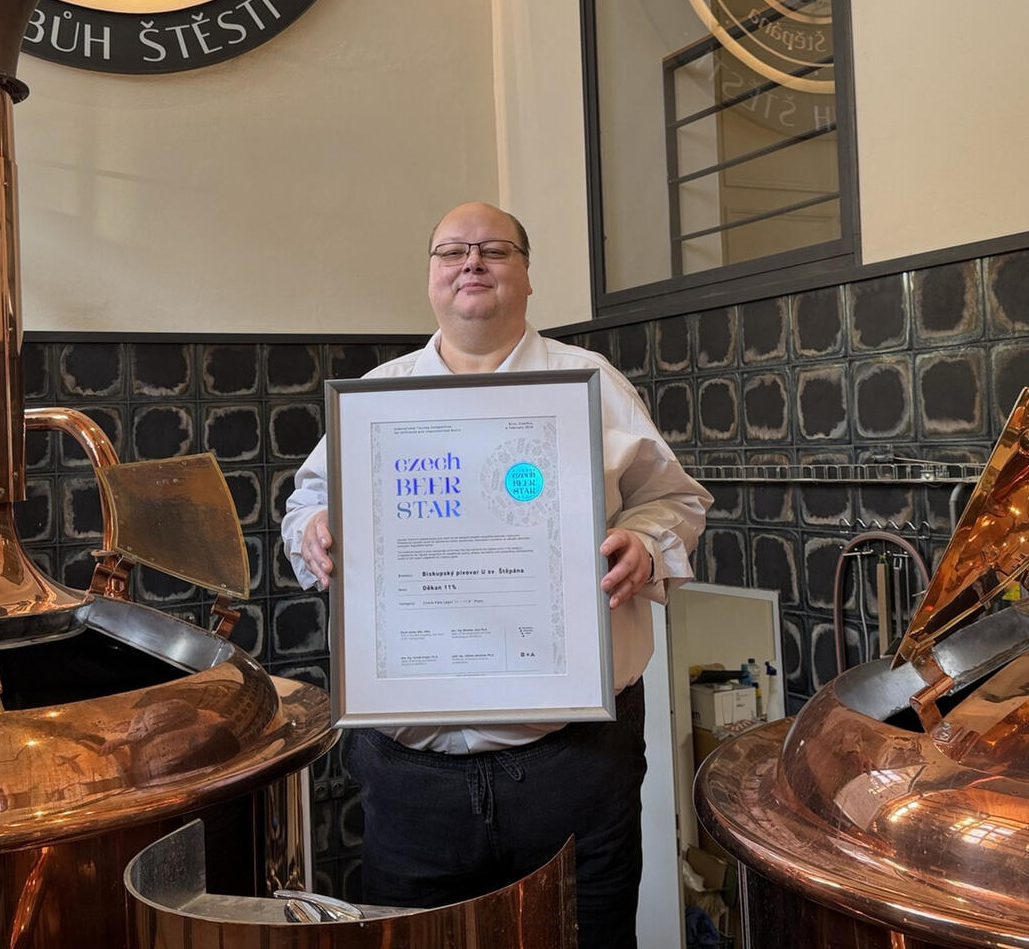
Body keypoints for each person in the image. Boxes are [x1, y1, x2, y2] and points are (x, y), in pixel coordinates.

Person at [281, 201, 711, 949]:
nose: (471, 263)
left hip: (573, 761)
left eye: (494, 250)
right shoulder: (378, 396)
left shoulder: (591, 383)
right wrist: (314, 527)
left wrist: (645, 544)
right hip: (411, 775)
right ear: (431, 275)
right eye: (452, 251)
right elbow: (305, 506)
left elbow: (674, 501)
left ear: (527, 274)